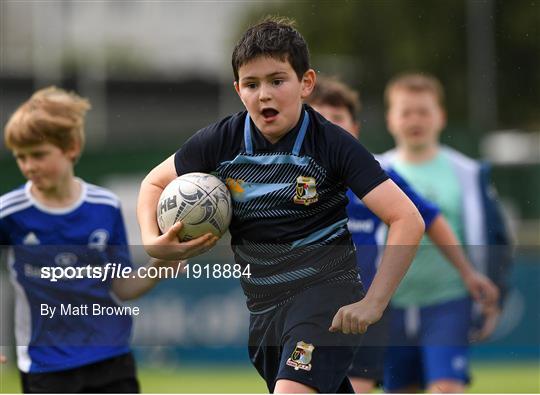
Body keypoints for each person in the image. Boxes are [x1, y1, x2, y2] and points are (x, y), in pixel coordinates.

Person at [137, 17, 425, 393]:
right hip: (263, 313)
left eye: (277, 81)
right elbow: (154, 182)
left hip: (327, 299)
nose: (264, 95)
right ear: (238, 89)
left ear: (306, 83)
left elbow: (407, 218)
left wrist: (374, 302)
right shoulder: (221, 141)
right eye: (252, 85)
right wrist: (150, 239)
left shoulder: (332, 144)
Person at [305, 76, 499, 393]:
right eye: (321, 121)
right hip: (310, 312)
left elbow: (426, 217)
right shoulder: (288, 182)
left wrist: (467, 273)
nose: (330, 128)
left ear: (355, 128)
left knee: (361, 386)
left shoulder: (373, 178)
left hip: (363, 313)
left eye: (337, 119)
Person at [0, 86, 181, 393]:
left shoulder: (104, 207)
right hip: (46, 368)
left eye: (39, 154)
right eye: (21, 157)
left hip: (111, 359)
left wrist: (160, 266)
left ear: (71, 147)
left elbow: (121, 287)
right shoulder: (10, 212)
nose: (29, 166)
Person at [379, 72, 512, 393]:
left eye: (424, 111)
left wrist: (494, 296)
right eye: (406, 111)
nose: (415, 119)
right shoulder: (375, 172)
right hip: (389, 306)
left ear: (441, 117)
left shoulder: (468, 173)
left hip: (448, 302)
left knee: (447, 388)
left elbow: (497, 238)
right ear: (390, 120)